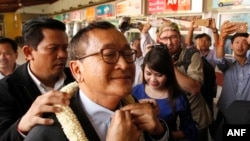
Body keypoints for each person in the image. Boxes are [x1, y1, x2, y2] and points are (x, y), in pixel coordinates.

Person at [23, 21, 169, 141]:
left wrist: (159, 133)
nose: (124, 65)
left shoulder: (138, 110)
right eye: (109, 55)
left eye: (127, 54)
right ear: (77, 70)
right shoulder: (46, 134)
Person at [0, 17, 75, 141]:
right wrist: (22, 126)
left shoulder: (78, 78)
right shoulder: (4, 90)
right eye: (53, 48)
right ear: (28, 52)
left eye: (65, 48)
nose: (63, 55)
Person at [157, 21, 212, 141]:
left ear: (180, 38)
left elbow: (194, 88)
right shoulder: (156, 55)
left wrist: (170, 65)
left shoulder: (191, 55)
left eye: (173, 37)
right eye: (165, 38)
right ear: (159, 40)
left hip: (195, 117)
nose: (169, 42)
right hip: (169, 117)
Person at [132, 45, 198, 141]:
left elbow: (190, 130)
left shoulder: (178, 96)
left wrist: (164, 135)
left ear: (168, 73)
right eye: (148, 73)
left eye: (159, 75)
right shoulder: (134, 92)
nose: (153, 79)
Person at [213, 21, 250, 141]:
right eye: (237, 42)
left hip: (246, 114)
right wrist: (222, 37)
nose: (240, 46)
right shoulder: (227, 65)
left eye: (244, 42)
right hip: (226, 112)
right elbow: (219, 59)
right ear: (231, 46)